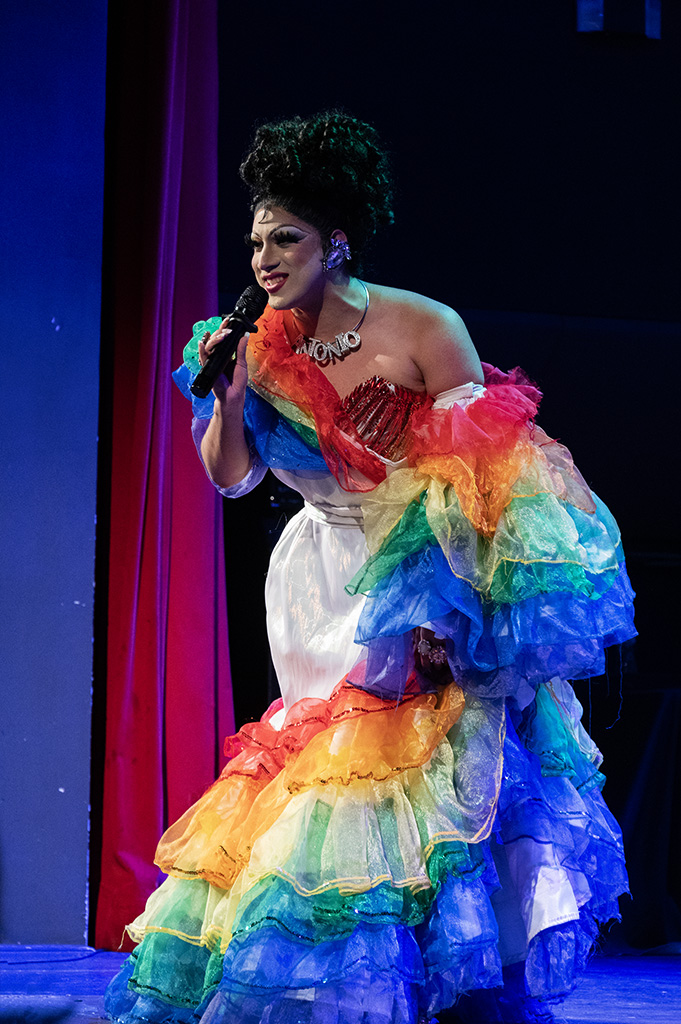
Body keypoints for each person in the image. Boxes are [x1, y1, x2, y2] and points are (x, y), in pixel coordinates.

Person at [105, 112, 636, 1024]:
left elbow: (488, 488)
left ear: (335, 239)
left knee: (438, 767)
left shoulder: (425, 328)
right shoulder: (245, 346)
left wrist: (448, 609)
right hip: (318, 579)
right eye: (256, 241)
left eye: (285, 238)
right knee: (333, 775)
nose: (264, 259)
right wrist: (228, 398)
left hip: (428, 570)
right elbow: (231, 482)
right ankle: (340, 980)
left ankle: (441, 977)